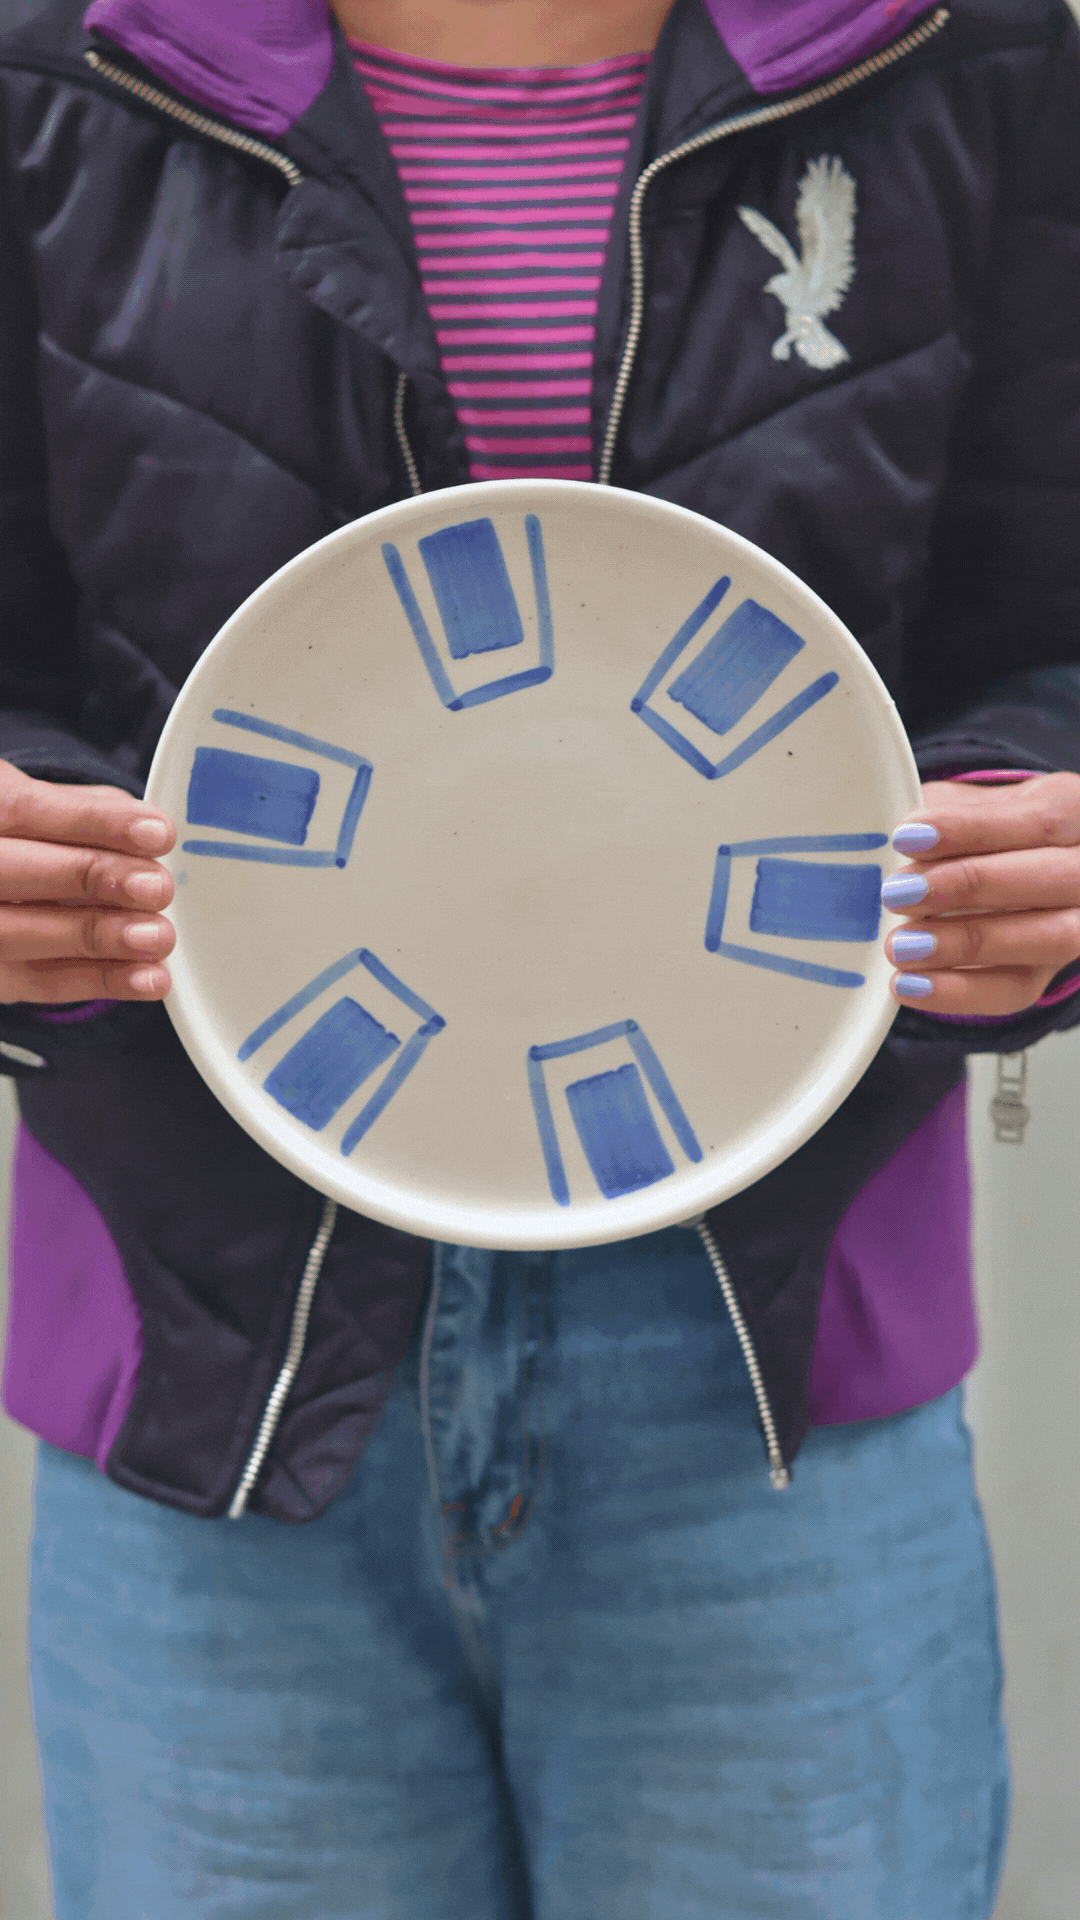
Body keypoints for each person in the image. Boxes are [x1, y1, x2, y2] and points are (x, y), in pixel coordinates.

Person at [2, 0, 1079, 1912]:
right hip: (214, 1352)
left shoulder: (960, 59)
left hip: (771, 1348)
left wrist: (1041, 836)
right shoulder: (56, 71)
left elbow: (1044, 631)